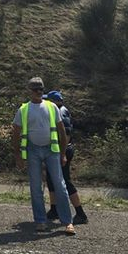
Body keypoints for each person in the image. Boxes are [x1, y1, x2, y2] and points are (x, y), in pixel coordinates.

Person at [12, 77, 76, 235]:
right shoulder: (24, 109)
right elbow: (15, 132)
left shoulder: (51, 106)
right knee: (35, 188)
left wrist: (62, 154)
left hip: (51, 150)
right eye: (35, 89)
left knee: (60, 186)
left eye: (41, 89)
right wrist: (18, 156)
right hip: (33, 150)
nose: (38, 92)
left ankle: (67, 222)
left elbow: (61, 131)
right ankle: (40, 221)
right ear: (30, 91)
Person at [43, 90, 88, 225]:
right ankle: (54, 209)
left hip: (62, 150)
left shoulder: (61, 112)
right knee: (51, 179)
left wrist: (61, 154)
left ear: (54, 102)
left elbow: (66, 134)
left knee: (65, 181)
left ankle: (80, 213)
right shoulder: (57, 111)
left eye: (48, 100)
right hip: (56, 150)